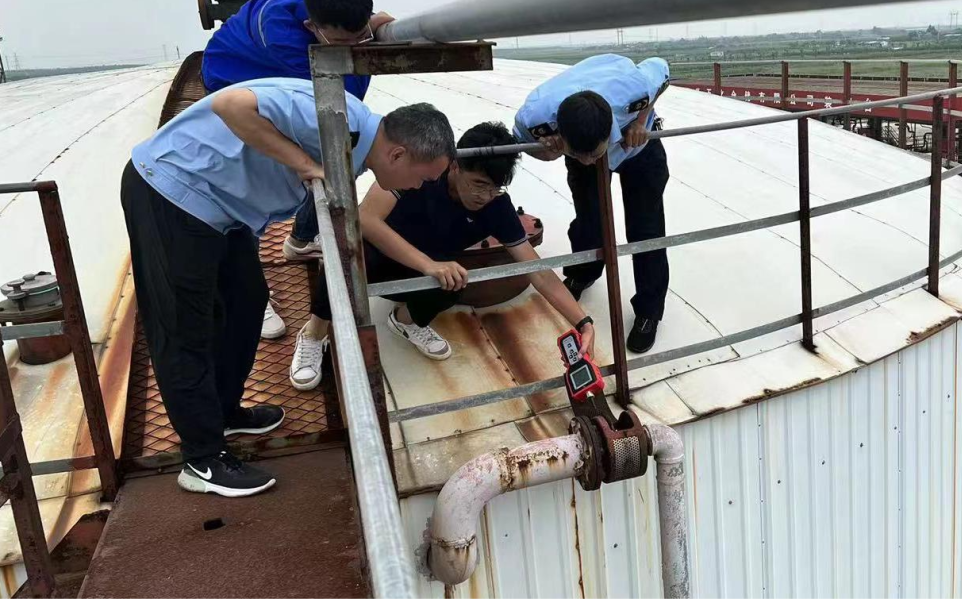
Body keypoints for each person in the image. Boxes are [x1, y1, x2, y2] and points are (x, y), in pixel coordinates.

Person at [122, 77, 453, 497]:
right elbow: (231, 105)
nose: (418, 188)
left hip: (223, 211)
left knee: (246, 305)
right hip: (173, 193)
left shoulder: (355, 146)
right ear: (398, 154)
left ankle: (224, 412)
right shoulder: (334, 118)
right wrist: (305, 165)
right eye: (423, 178)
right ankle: (202, 459)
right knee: (185, 328)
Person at [290, 122, 598, 389]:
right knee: (343, 253)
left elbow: (538, 271)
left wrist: (582, 322)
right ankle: (314, 333)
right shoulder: (421, 172)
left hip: (423, 272)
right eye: (478, 184)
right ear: (454, 166)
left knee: (457, 280)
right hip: (377, 257)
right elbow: (366, 220)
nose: (484, 196)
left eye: (495, 188)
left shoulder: (497, 206)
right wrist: (429, 265)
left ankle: (405, 321)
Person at [201, 0, 396, 341]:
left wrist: (369, 30)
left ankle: (301, 239)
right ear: (312, 28)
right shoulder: (282, 38)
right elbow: (344, 99)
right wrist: (370, 36)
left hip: (272, 67)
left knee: (328, 159)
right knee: (245, 183)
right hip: (234, 77)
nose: (356, 47)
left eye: (360, 35)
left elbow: (349, 62)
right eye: (342, 43)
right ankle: (250, 293)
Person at [513, 54, 670, 354]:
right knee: (589, 219)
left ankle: (649, 311)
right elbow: (523, 143)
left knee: (646, 229)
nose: (588, 161)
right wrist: (549, 152)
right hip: (581, 140)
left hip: (638, 149)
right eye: (579, 154)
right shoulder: (536, 117)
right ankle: (582, 273)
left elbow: (661, 69)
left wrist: (640, 121)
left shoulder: (633, 91)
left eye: (594, 154)